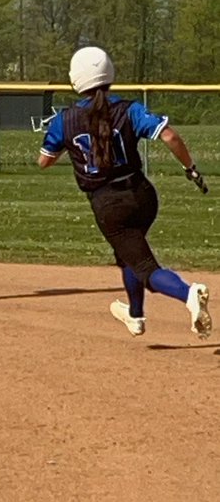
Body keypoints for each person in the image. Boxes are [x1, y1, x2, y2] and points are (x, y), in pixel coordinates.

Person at [38, 45, 211, 338]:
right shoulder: (129, 109)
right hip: (143, 194)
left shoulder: (64, 119)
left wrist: (68, 146)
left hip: (109, 204)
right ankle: (136, 316)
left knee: (144, 267)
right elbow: (169, 135)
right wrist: (190, 168)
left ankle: (188, 294)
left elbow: (44, 161)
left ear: (76, 79)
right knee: (129, 252)